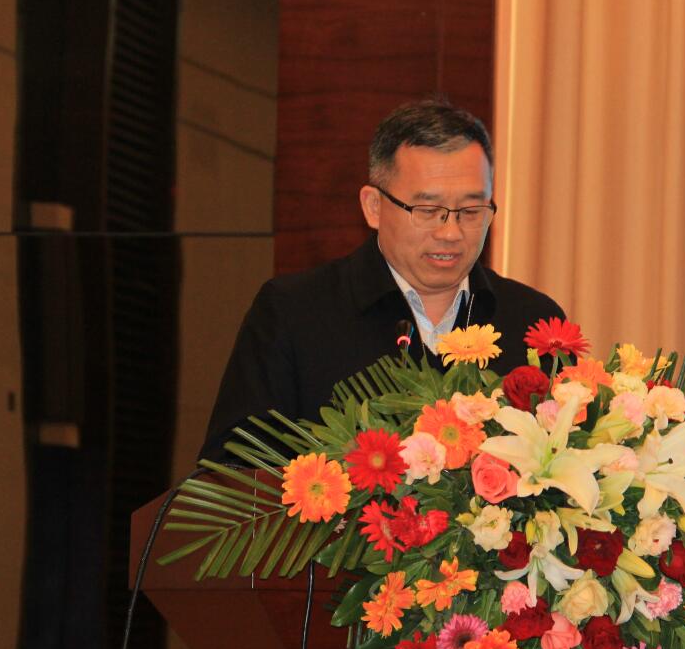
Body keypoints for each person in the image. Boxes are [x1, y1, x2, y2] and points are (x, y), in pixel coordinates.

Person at [200, 99, 564, 461]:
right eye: (427, 210)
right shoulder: (293, 313)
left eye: (471, 211)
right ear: (373, 206)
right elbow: (233, 472)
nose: (451, 233)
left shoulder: (533, 322)